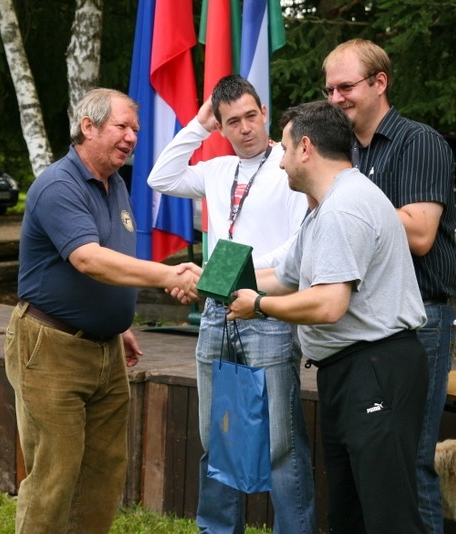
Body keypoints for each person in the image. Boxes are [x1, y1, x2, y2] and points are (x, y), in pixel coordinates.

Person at [4, 87, 201, 534]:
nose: (132, 138)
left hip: (106, 349)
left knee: (103, 473)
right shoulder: (59, 185)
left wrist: (120, 322)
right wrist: (169, 275)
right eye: (122, 127)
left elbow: (112, 260)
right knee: (55, 474)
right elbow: (88, 259)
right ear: (88, 127)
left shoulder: (116, 184)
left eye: (136, 129)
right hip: (51, 347)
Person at [227, 100, 429, 533]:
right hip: (349, 372)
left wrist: (257, 307)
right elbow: (283, 276)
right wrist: (214, 282)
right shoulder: (324, 207)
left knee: (389, 517)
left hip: (376, 369)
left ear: (305, 147)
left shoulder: (344, 207)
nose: (279, 163)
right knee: (350, 514)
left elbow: (327, 304)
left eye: (282, 149)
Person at [147, 74, 315, 534]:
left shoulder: (291, 165)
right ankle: (217, 529)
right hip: (218, 314)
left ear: (264, 112)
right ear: (221, 127)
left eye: (251, 116)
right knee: (215, 434)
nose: (245, 128)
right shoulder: (217, 169)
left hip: (267, 308)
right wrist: (198, 126)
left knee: (282, 441)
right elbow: (159, 177)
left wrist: (249, 278)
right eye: (232, 122)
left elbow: (299, 244)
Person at [322, 38, 456, 534]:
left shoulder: (418, 142)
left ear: (380, 83)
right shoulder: (344, 154)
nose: (335, 98)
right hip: (363, 326)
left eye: (346, 86)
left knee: (409, 465)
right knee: (369, 468)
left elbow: (421, 235)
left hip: (419, 317)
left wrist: (352, 203)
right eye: (330, 88)